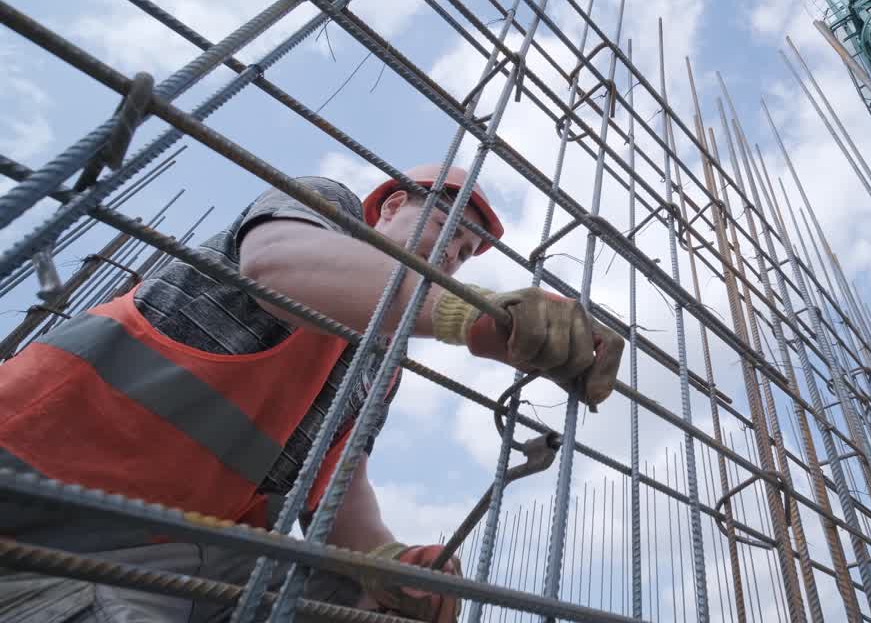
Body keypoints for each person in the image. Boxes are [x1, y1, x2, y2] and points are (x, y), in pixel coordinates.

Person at [0, 164, 625, 622]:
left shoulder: (380, 362)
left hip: (165, 550)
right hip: (31, 483)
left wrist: (386, 561)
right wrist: (472, 315)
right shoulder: (326, 209)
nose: (453, 256)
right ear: (391, 205)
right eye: (445, 227)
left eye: (464, 253)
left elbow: (337, 488)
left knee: (364, 608)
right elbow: (278, 267)